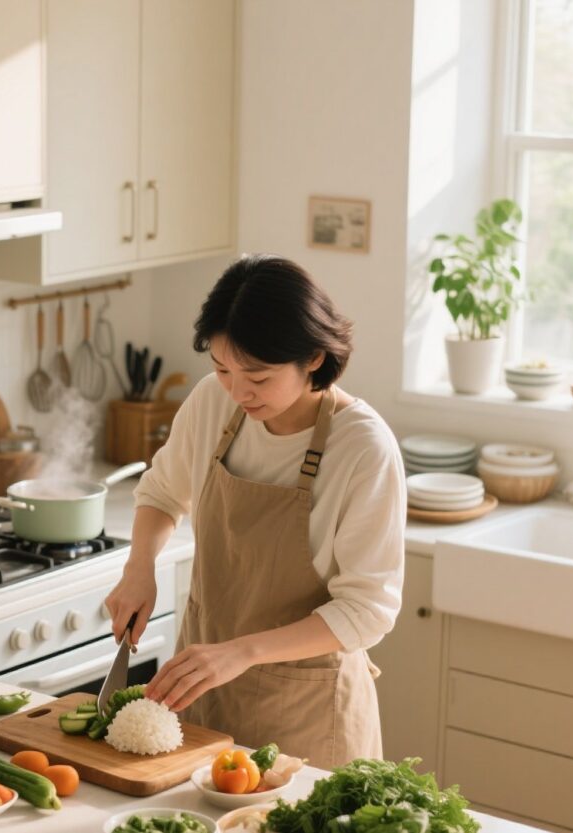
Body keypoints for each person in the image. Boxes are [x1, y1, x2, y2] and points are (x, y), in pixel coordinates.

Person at [104, 254, 406, 768]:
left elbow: (366, 610)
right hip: (202, 695)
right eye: (222, 369)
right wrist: (139, 568)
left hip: (307, 716)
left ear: (313, 357)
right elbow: (160, 492)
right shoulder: (213, 403)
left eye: (259, 377)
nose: (239, 391)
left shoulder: (363, 450)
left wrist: (241, 652)